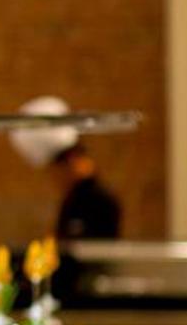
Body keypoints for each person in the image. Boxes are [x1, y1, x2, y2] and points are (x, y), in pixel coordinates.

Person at [11, 96, 121, 299]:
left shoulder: (96, 201)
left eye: (53, 171)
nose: (54, 180)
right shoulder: (77, 198)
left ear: (69, 162)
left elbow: (80, 262)